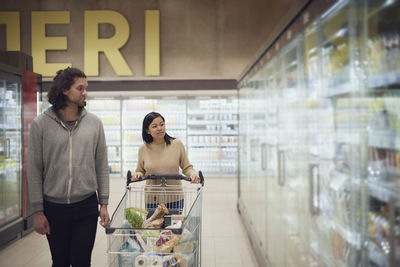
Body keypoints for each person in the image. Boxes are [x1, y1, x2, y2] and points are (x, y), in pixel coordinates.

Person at [27, 67, 110, 267]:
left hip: (86, 206)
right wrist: (38, 211)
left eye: (85, 88)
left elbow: (101, 164)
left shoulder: (94, 123)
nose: (84, 93)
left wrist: (104, 203)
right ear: (65, 90)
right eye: (79, 88)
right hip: (53, 208)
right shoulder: (41, 125)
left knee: (81, 262)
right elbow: (34, 169)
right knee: (60, 262)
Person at [130, 112, 200, 214]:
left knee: (173, 229)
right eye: (154, 126)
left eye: (162, 124)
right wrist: (137, 175)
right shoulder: (143, 149)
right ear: (147, 130)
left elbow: (186, 167)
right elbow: (141, 171)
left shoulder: (177, 144)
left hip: (175, 198)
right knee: (153, 229)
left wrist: (193, 174)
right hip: (152, 200)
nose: (159, 128)